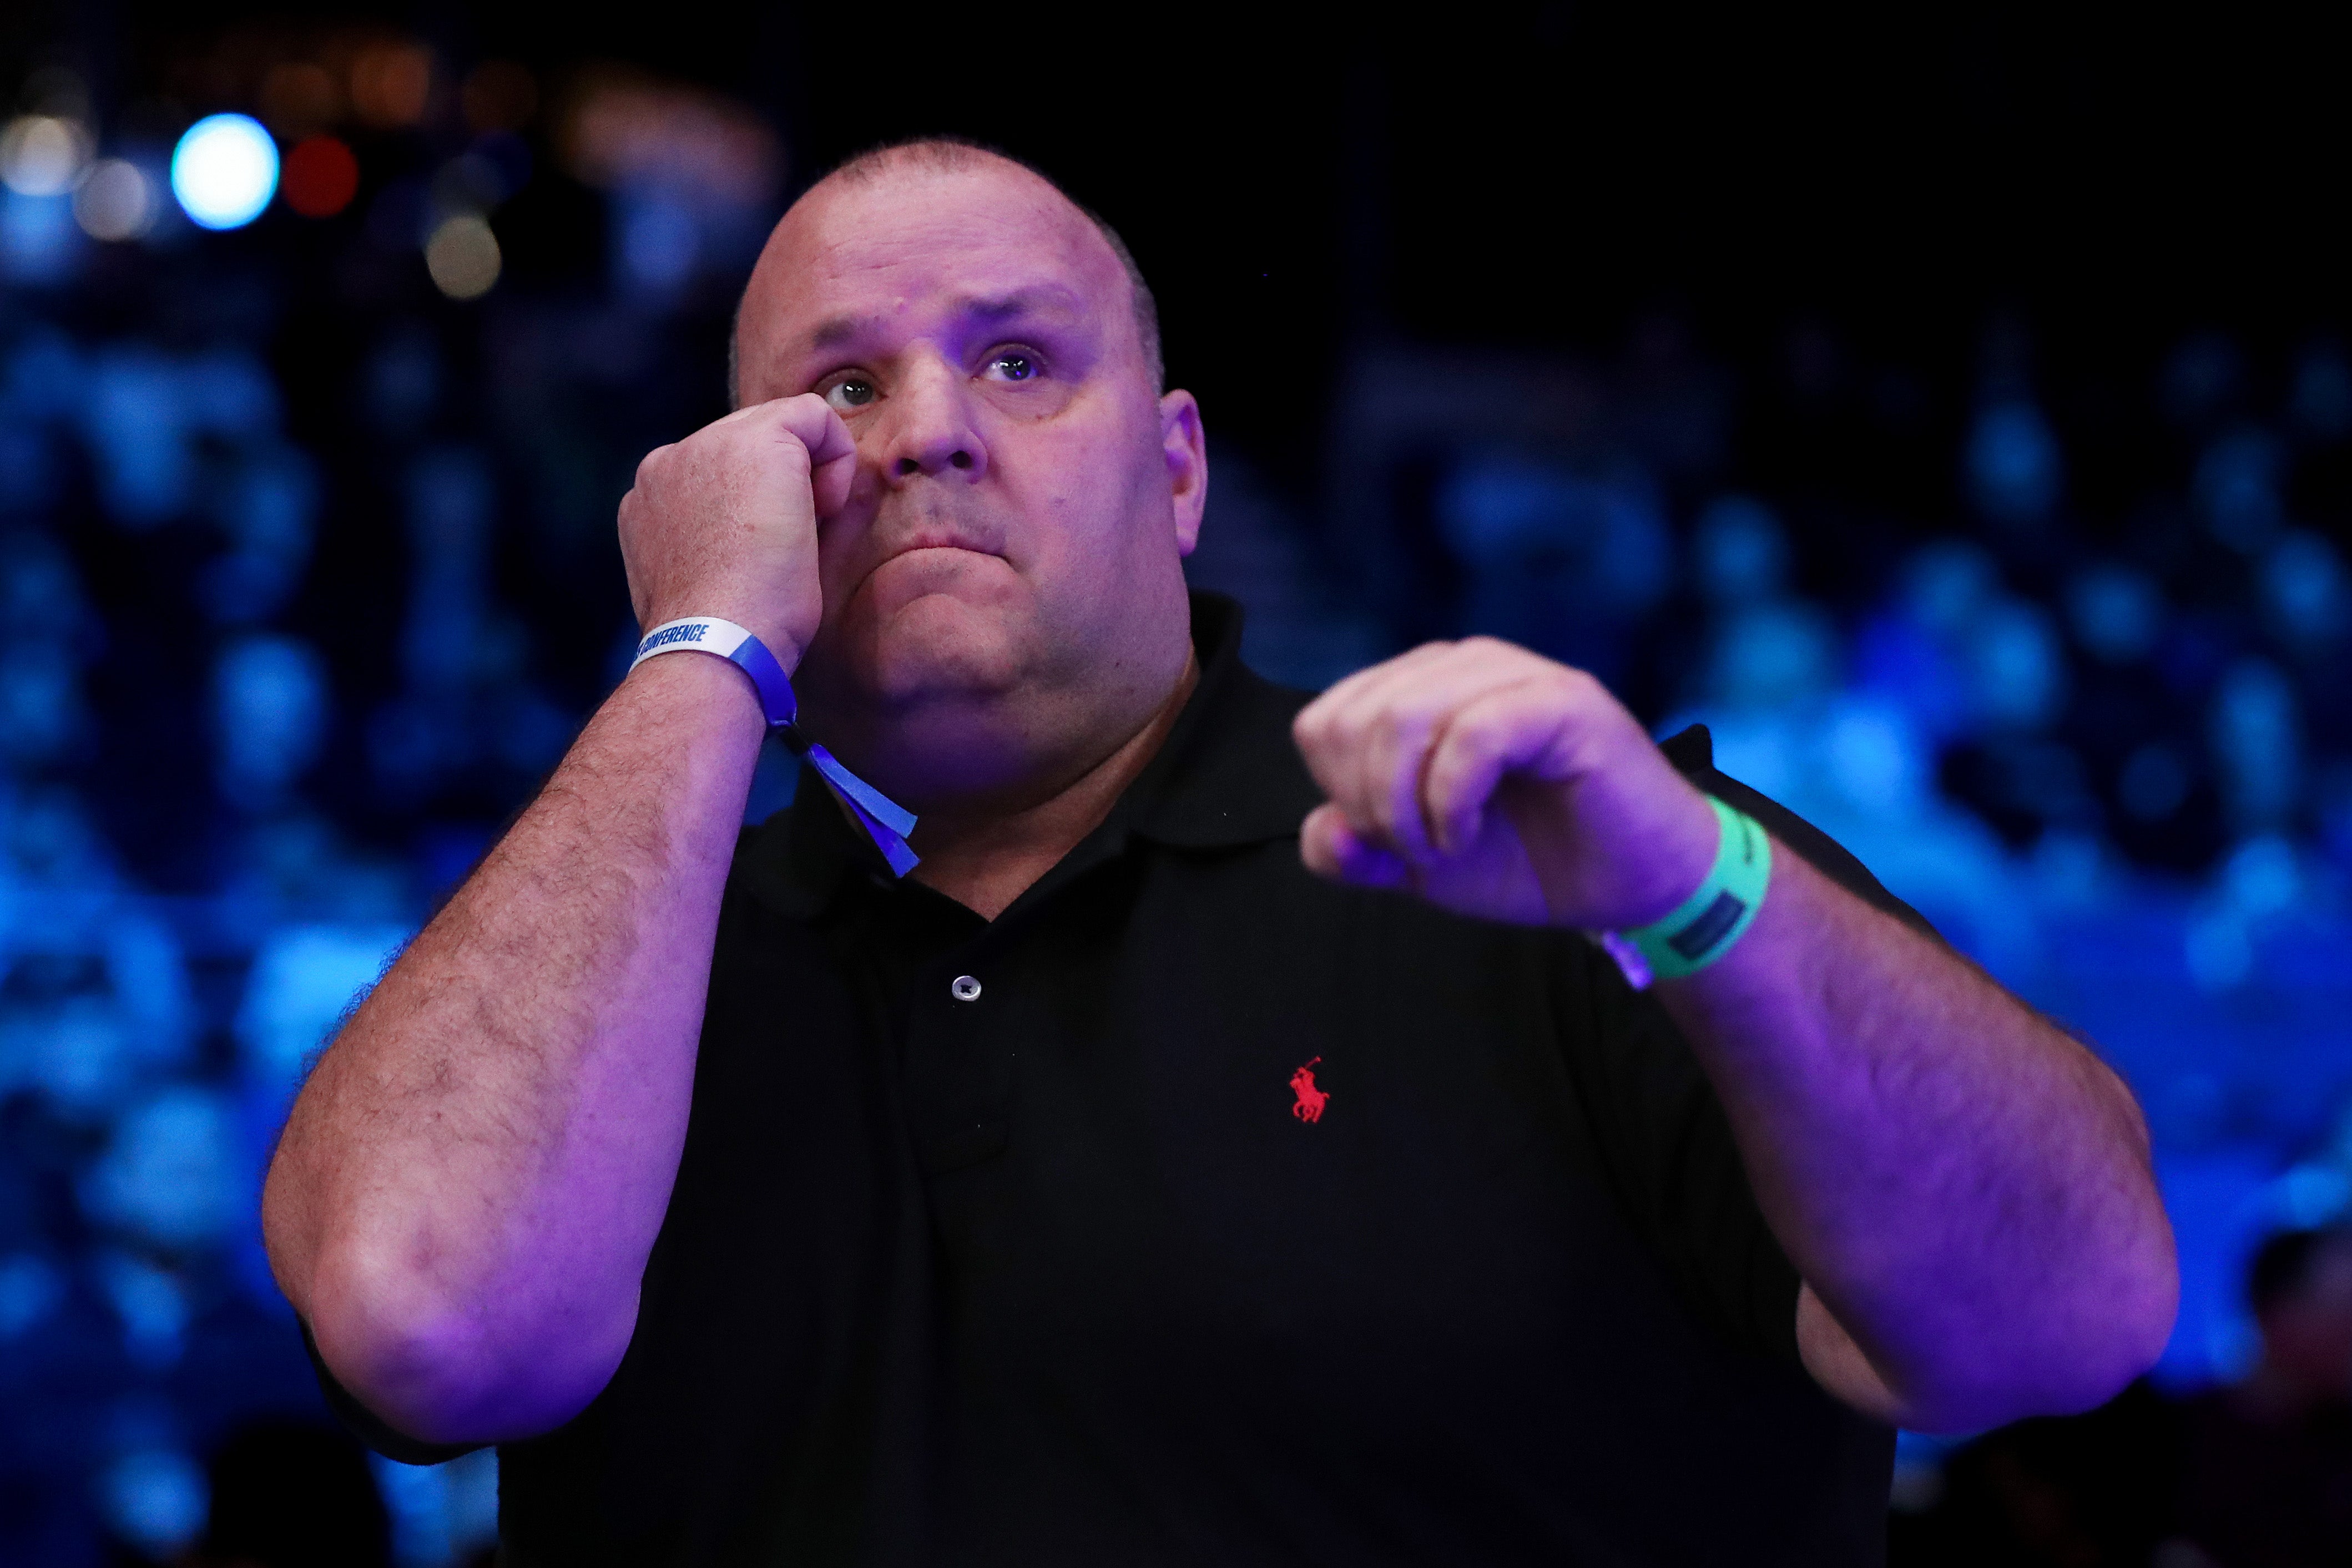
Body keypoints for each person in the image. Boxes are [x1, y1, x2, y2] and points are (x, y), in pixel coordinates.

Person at [260, 138, 2177, 1565]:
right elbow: (429, 1317)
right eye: (837, 387)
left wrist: (1704, 891)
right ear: (724, 488)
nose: (924, 428)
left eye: (1020, 362)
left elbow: (2070, 1317)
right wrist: (699, 654)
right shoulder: (633, 966)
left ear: (1178, 468)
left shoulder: (1568, 860)